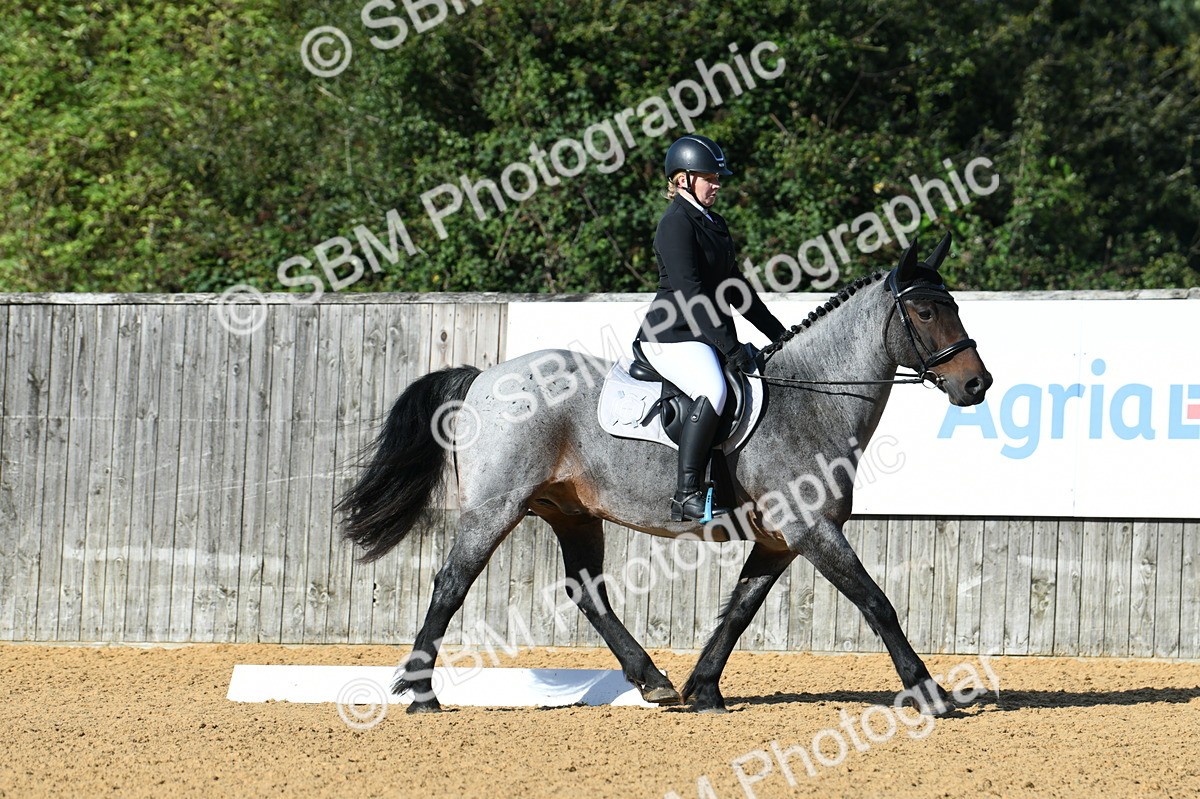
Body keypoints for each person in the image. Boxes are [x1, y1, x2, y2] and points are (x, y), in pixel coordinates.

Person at [634, 134, 787, 522]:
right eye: (709, 178)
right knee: (713, 388)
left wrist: (780, 334)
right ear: (682, 179)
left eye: (718, 179)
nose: (717, 185)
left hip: (704, 334)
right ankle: (686, 494)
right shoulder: (675, 224)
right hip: (672, 334)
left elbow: (735, 287)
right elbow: (692, 294)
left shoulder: (713, 222)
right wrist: (732, 348)